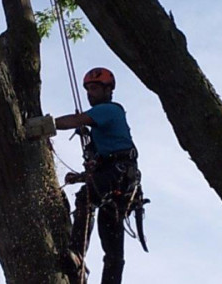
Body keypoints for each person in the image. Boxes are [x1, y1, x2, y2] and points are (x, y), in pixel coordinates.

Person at [56, 67, 142, 284]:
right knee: (112, 241)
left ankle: (76, 253)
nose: (90, 93)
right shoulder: (100, 133)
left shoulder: (109, 110)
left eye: (94, 88)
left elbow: (76, 120)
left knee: (86, 198)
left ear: (108, 90)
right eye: (88, 89)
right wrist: (79, 177)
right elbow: (101, 168)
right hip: (117, 179)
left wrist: (47, 125)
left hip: (118, 174)